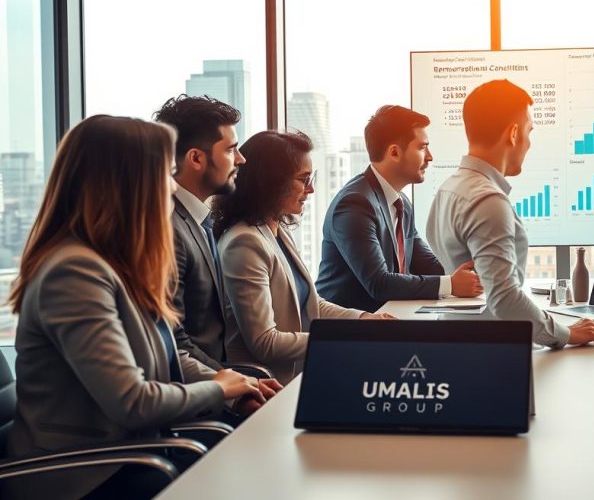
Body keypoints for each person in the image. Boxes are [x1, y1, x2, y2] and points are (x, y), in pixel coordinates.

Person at [4, 116, 270, 500]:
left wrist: (233, 385)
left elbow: (167, 362)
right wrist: (217, 388)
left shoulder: (116, 265)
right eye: (164, 173)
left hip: (133, 453)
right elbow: (134, 402)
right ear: (129, 187)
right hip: (84, 476)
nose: (171, 185)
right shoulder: (74, 272)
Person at [426, 79, 594, 348]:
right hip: (491, 350)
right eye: (529, 131)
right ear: (513, 134)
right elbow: (505, 299)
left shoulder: (449, 188)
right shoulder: (487, 200)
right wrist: (566, 334)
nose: (529, 143)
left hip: (461, 341)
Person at [214, 130, 394, 385]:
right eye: (303, 179)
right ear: (270, 182)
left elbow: (311, 304)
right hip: (269, 386)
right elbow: (265, 342)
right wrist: (347, 337)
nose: (310, 189)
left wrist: (363, 320)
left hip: (299, 373)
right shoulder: (244, 243)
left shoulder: (276, 231)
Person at [316, 105, 482, 312]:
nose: (430, 157)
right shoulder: (354, 204)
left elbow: (425, 263)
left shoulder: (400, 202)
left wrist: (475, 270)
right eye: (422, 148)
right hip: (348, 332)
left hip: (389, 320)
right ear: (394, 152)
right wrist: (451, 284)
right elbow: (379, 284)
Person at [154, 94, 246, 369]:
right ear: (196, 158)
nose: (241, 159)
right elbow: (173, 341)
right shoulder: (169, 230)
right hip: (196, 395)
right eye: (231, 149)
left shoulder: (197, 220)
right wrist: (232, 387)